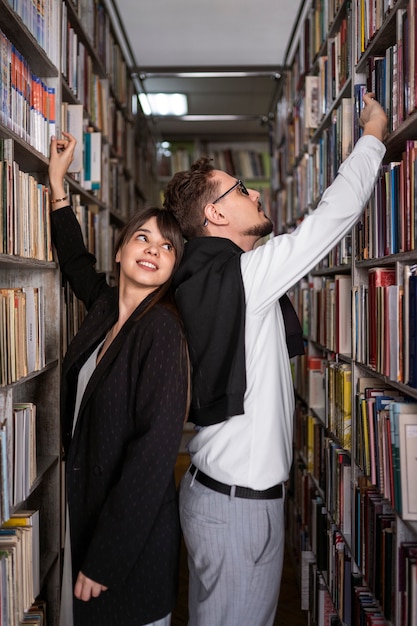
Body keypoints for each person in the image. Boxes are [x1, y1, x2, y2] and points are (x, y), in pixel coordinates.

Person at [162, 93, 388, 626]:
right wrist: (373, 135)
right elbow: (332, 219)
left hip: (223, 498)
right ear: (215, 213)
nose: (256, 192)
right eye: (240, 189)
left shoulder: (207, 278)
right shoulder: (242, 278)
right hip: (235, 506)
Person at [48, 132, 189, 626]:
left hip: (129, 549)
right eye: (142, 238)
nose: (152, 250)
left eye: (166, 246)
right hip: (86, 523)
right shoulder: (107, 307)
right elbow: (75, 263)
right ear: (121, 252)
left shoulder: (162, 332)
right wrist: (56, 183)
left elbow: (153, 456)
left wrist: (106, 557)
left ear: (172, 268)